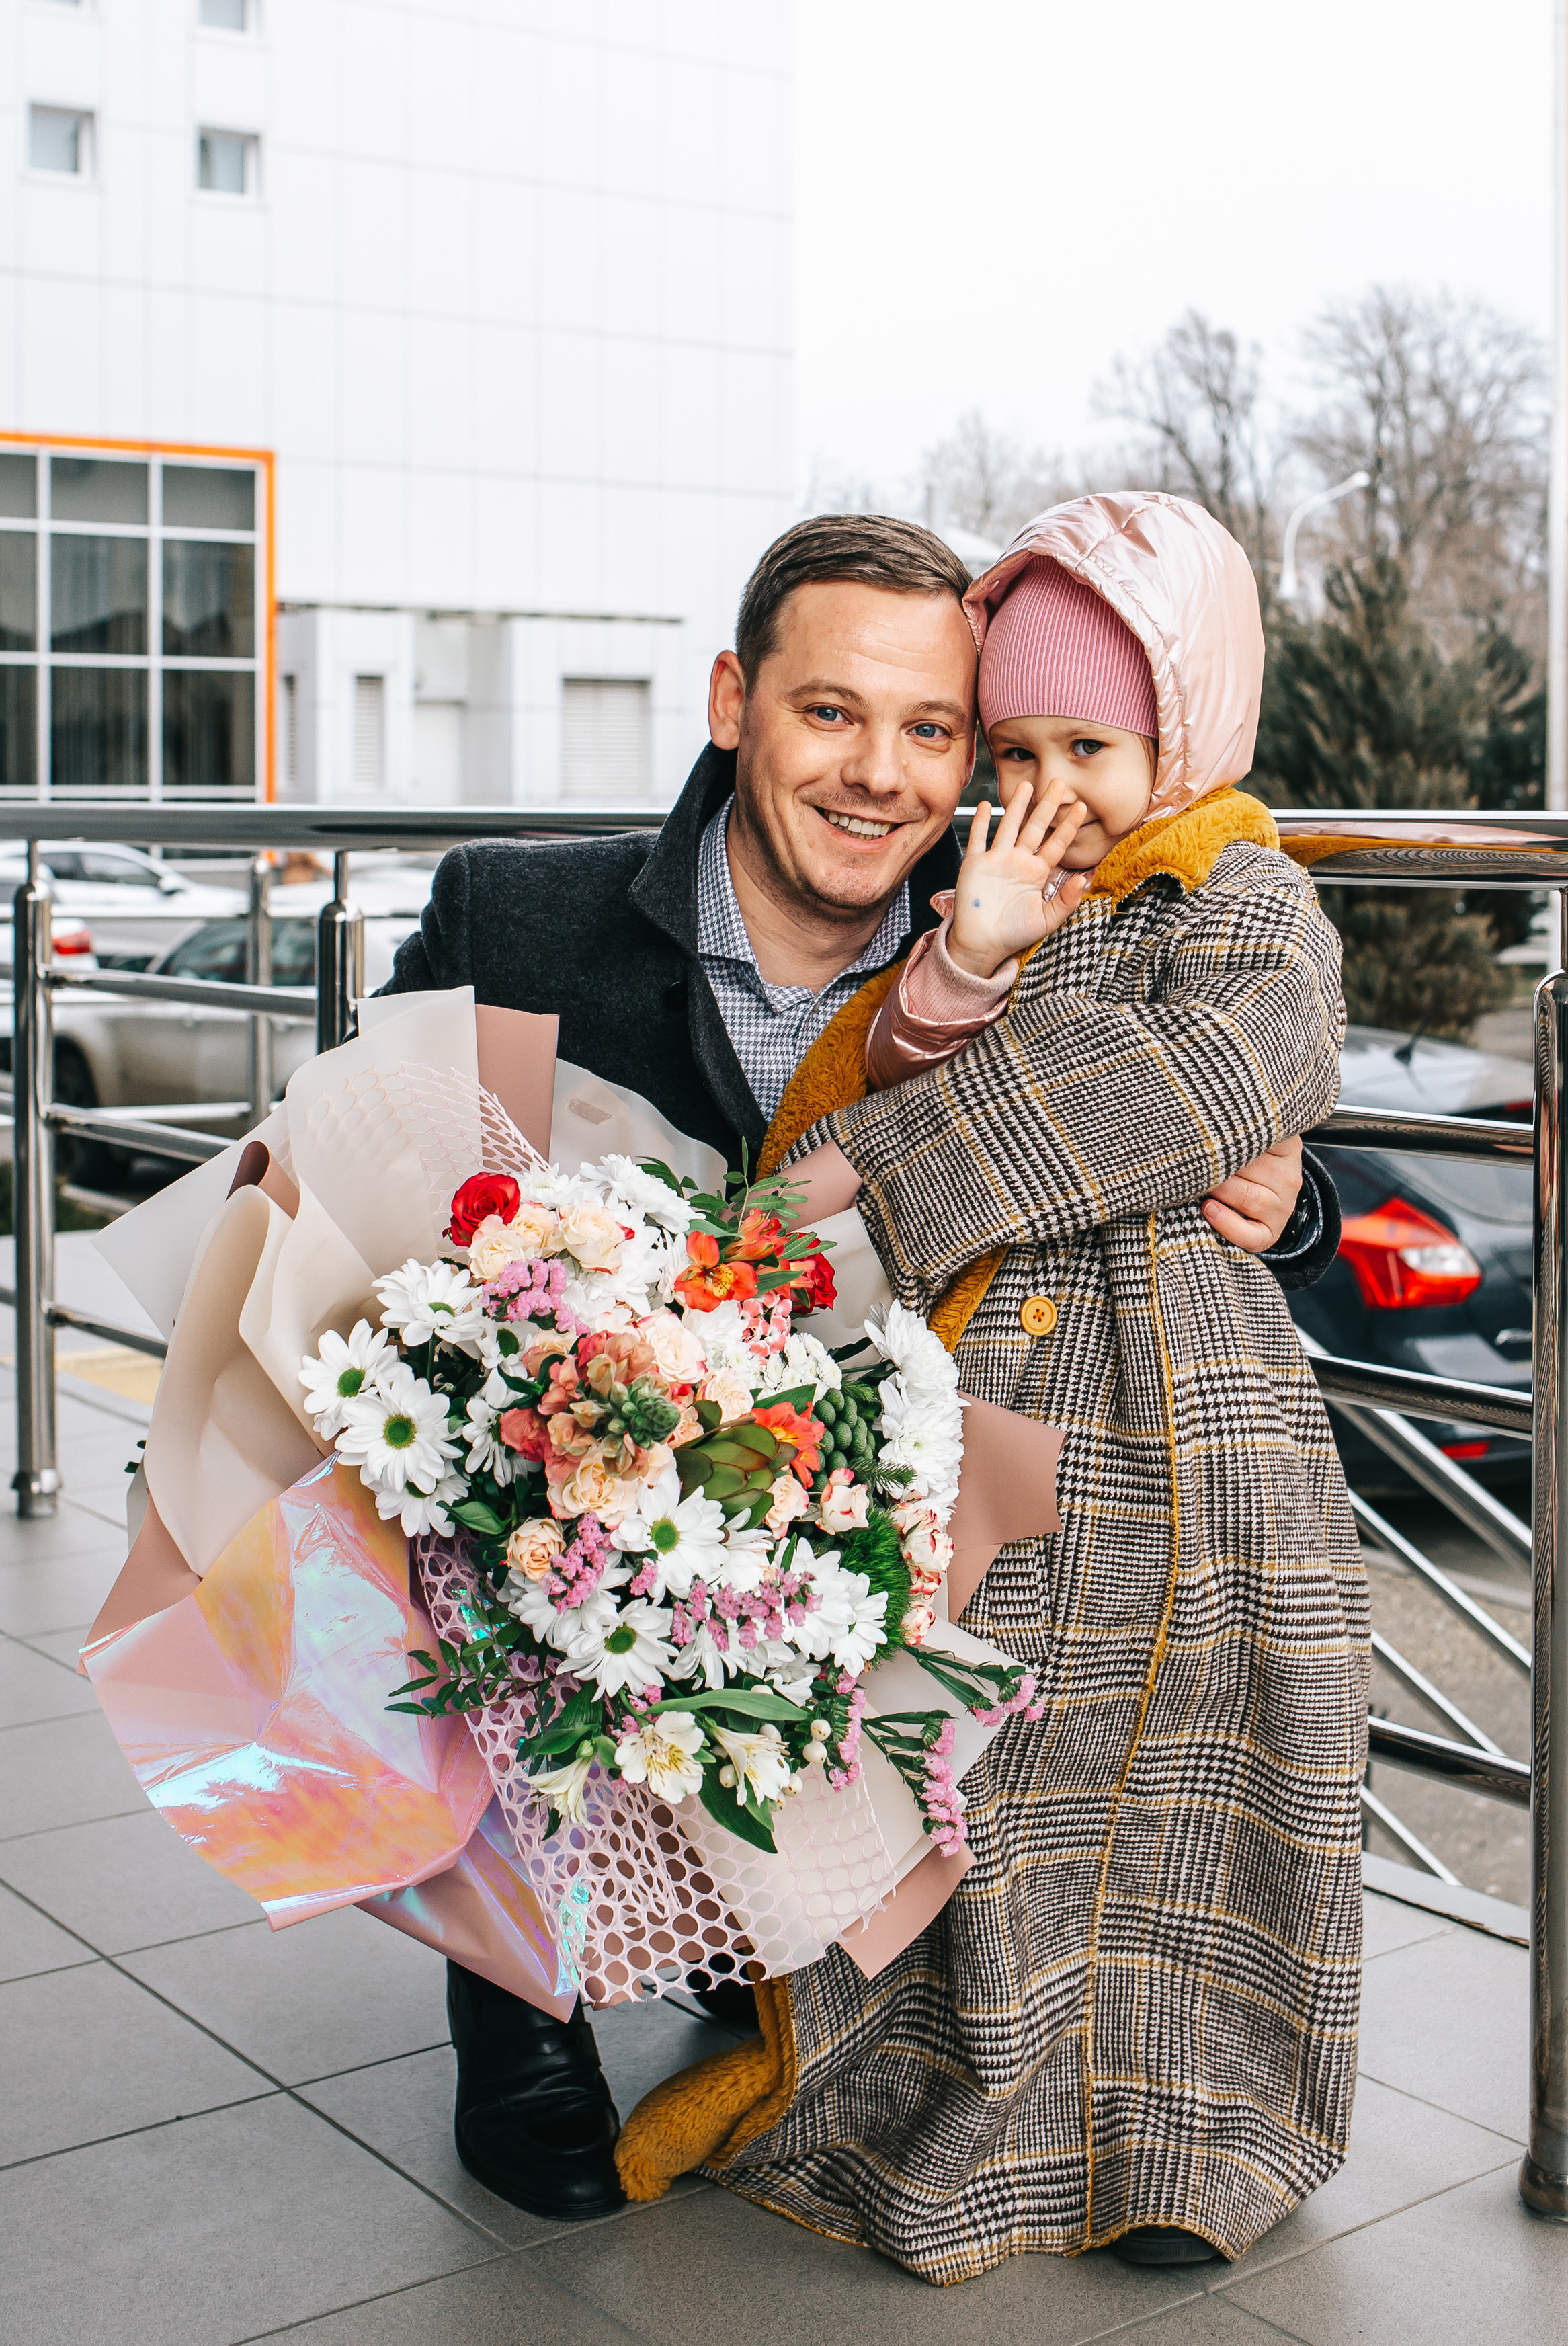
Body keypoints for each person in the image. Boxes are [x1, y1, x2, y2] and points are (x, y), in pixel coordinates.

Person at [378, 510, 1337, 2222]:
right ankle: (514, 1994)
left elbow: (1159, 1093)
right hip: (567, 1463)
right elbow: (361, 1205)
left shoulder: (1016, 928)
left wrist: (1291, 1197)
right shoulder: (511, 919)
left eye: (933, 730)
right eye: (829, 713)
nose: (881, 775)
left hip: (839, 1502)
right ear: (732, 699)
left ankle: (763, 1944)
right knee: (445, 1482)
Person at [655, 494, 1368, 2280]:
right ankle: (940, 2111)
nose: (1053, 787)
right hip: (977, 1425)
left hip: (1190, 1436)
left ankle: (1186, 2146)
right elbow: (839, 1093)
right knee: (983, 1787)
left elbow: (1222, 1072)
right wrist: (966, 966)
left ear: (1187, 733)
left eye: (1097, 748)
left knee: (1198, 1795)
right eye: (1023, 745)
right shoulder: (1001, 896)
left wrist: (876, 1183)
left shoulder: (1246, 894)